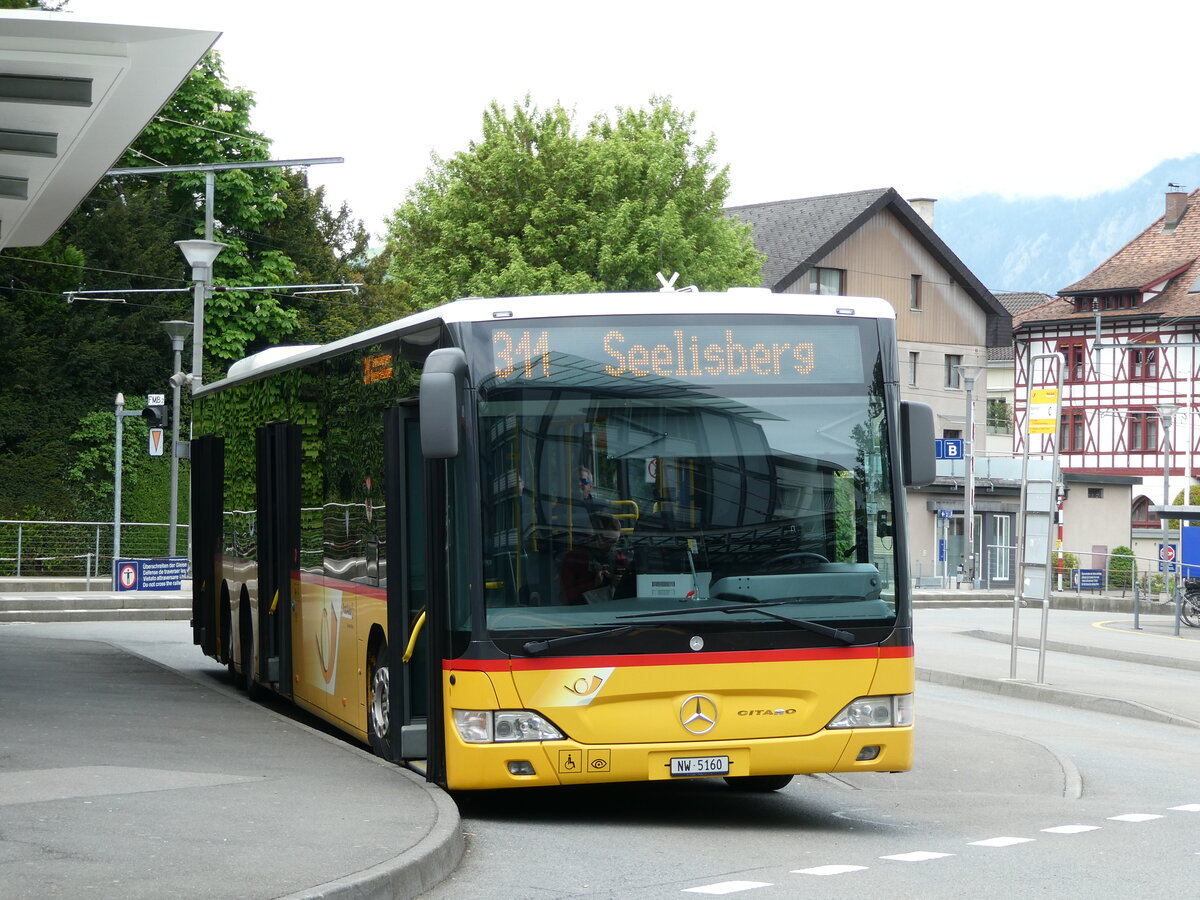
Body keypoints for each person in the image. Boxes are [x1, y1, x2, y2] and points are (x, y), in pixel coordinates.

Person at [559, 513, 633, 604]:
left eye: (615, 542)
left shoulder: (620, 559)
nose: (611, 547)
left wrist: (620, 583)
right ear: (594, 536)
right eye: (607, 540)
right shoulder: (575, 558)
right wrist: (592, 584)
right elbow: (565, 597)